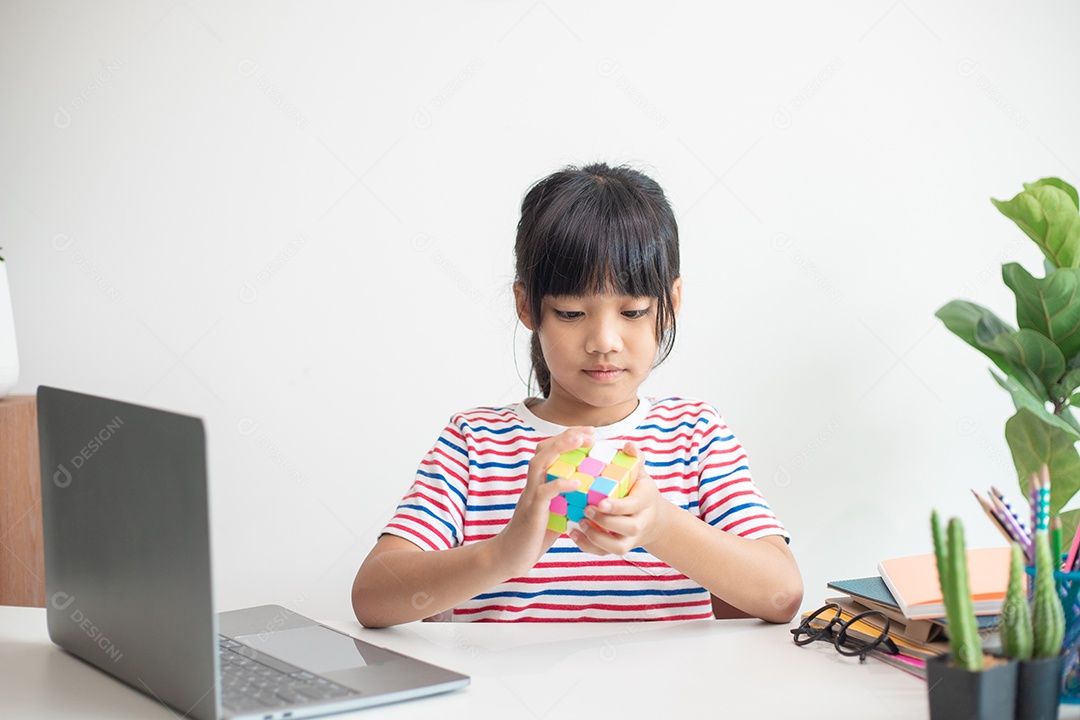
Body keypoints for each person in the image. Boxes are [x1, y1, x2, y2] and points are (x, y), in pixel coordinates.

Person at [352, 162, 802, 626]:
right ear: (527, 307)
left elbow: (781, 594)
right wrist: (504, 553)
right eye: (570, 313)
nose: (604, 340)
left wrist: (661, 524)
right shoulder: (475, 442)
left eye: (632, 311)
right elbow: (372, 598)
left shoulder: (694, 435)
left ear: (671, 304)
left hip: (669, 698)